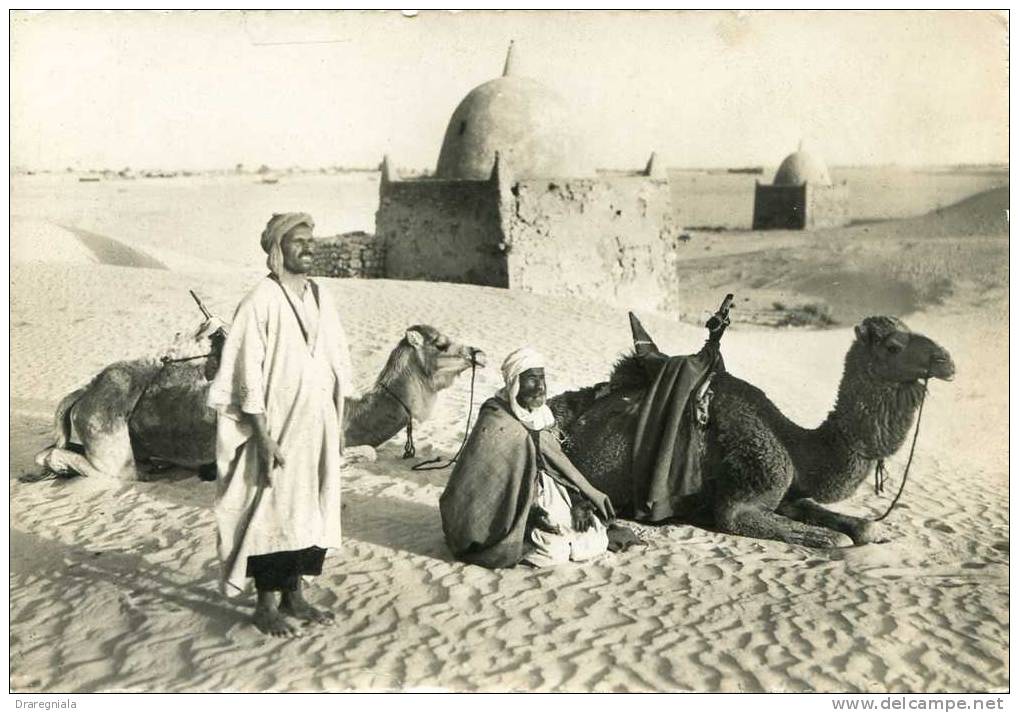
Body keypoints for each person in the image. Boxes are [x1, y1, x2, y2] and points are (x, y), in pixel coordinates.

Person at [208, 212, 353, 637]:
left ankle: (297, 595)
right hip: (276, 428)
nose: (308, 247)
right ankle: (266, 604)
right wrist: (263, 434)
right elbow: (245, 373)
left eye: (312, 240)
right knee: (270, 510)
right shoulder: (261, 300)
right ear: (277, 249)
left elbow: (336, 360)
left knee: (310, 508)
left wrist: (336, 421)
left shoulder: (321, 297)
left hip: (317, 425)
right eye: (298, 241)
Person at [439, 347, 615, 569]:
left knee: (594, 539)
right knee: (554, 552)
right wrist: (530, 516)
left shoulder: (543, 418)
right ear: (515, 383)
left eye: (542, 378)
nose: (540, 387)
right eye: (532, 380)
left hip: (549, 495)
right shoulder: (496, 419)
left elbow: (557, 469)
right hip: (509, 506)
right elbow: (483, 484)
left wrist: (578, 501)